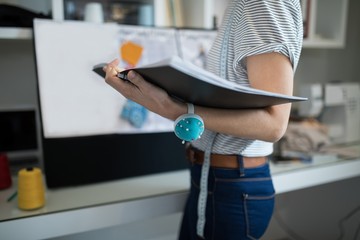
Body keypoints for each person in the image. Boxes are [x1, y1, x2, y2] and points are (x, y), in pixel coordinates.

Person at [103, 0, 303, 239]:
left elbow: (274, 124)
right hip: (213, 178)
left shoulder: (262, 3)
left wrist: (175, 109)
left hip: (229, 186)